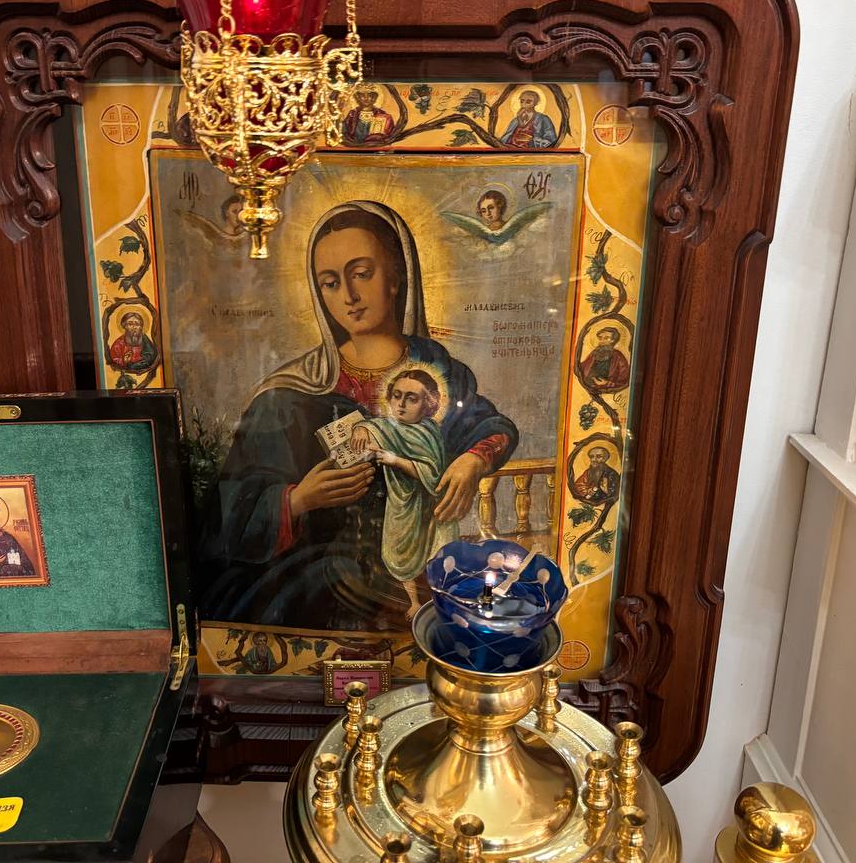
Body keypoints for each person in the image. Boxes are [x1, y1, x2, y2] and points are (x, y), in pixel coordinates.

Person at [198, 201, 518, 631]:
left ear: (396, 276)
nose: (348, 296)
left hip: (421, 559)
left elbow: (490, 426)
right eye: (330, 283)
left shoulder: (440, 371)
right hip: (322, 580)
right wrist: (297, 500)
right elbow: (228, 510)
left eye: (362, 273)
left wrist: (473, 458)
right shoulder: (289, 394)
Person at [348, 369, 458, 618]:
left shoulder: (429, 432)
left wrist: (393, 459)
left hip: (426, 505)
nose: (401, 404)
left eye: (411, 398)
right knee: (398, 551)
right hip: (400, 503)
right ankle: (413, 601)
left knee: (432, 552)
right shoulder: (389, 427)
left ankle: (437, 600)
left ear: (428, 404)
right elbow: (373, 426)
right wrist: (361, 429)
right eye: (396, 396)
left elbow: (432, 474)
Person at [578, 326, 631, 392]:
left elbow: (624, 380)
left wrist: (607, 383)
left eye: (606, 338)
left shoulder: (618, 356)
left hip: (607, 391)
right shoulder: (594, 353)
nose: (602, 341)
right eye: (600, 338)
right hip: (588, 388)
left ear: (613, 340)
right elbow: (583, 367)